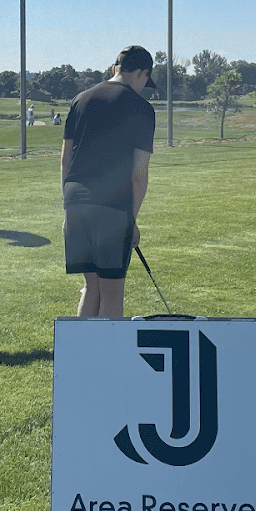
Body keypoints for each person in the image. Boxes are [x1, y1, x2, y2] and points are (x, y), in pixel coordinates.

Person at [61, 45, 156, 318]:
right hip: (112, 206)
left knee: (91, 286)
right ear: (141, 73)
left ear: (116, 68)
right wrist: (131, 219)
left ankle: (82, 346)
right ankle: (107, 348)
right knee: (112, 291)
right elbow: (139, 174)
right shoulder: (142, 109)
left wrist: (67, 208)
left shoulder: (80, 100)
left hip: (75, 200)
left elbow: (65, 160)